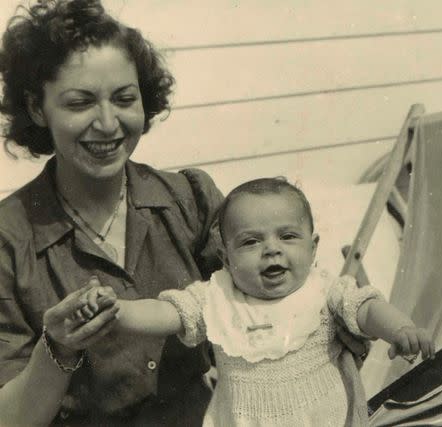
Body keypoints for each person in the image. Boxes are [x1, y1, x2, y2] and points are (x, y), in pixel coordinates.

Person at [0, 1, 369, 425]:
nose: (107, 123)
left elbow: (271, 307)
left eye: (124, 98)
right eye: (80, 103)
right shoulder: (9, 238)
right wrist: (58, 350)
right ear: (34, 108)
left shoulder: (189, 200)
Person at [78, 177, 435, 427]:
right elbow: (169, 312)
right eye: (251, 242)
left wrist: (399, 328)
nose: (272, 249)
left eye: (288, 236)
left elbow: (366, 307)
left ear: (313, 247)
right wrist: (119, 311)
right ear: (227, 257)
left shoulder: (324, 291)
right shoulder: (217, 296)